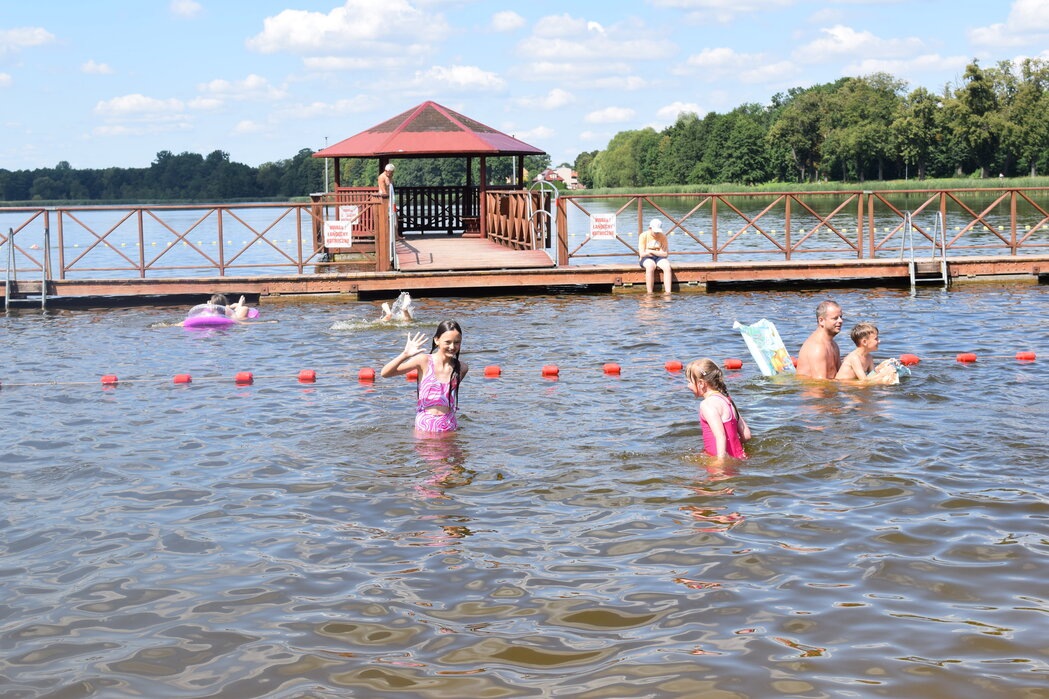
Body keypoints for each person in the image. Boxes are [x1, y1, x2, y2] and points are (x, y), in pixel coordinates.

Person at [381, 320, 469, 434]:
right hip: (424, 426)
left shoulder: (462, 368)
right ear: (436, 340)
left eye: (457, 342)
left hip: (450, 426)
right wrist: (405, 355)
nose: (452, 347)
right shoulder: (424, 361)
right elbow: (385, 373)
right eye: (447, 342)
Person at [686, 358, 751, 460]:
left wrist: (720, 462)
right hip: (740, 457)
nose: (688, 386)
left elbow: (720, 436)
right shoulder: (728, 400)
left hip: (720, 461)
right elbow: (746, 435)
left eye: (690, 382)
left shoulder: (707, 404)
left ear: (701, 383)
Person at [834, 322, 899, 384]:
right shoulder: (854, 358)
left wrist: (887, 364)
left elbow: (873, 374)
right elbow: (864, 381)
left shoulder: (869, 357)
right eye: (876, 339)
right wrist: (883, 374)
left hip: (854, 384)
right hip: (842, 386)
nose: (879, 341)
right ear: (864, 342)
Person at [795, 300, 844, 379]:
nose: (841, 321)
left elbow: (840, 376)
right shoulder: (817, 347)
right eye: (835, 318)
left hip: (830, 385)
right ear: (821, 321)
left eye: (840, 317)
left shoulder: (833, 344)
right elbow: (819, 383)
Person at [638, 218, 672, 293]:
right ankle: (650, 293)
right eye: (655, 232)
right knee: (650, 266)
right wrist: (658, 252)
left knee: (667, 266)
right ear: (650, 228)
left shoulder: (663, 236)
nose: (657, 234)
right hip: (646, 257)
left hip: (659, 257)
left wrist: (650, 251)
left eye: (658, 232)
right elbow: (642, 254)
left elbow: (665, 254)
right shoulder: (643, 236)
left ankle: (668, 292)